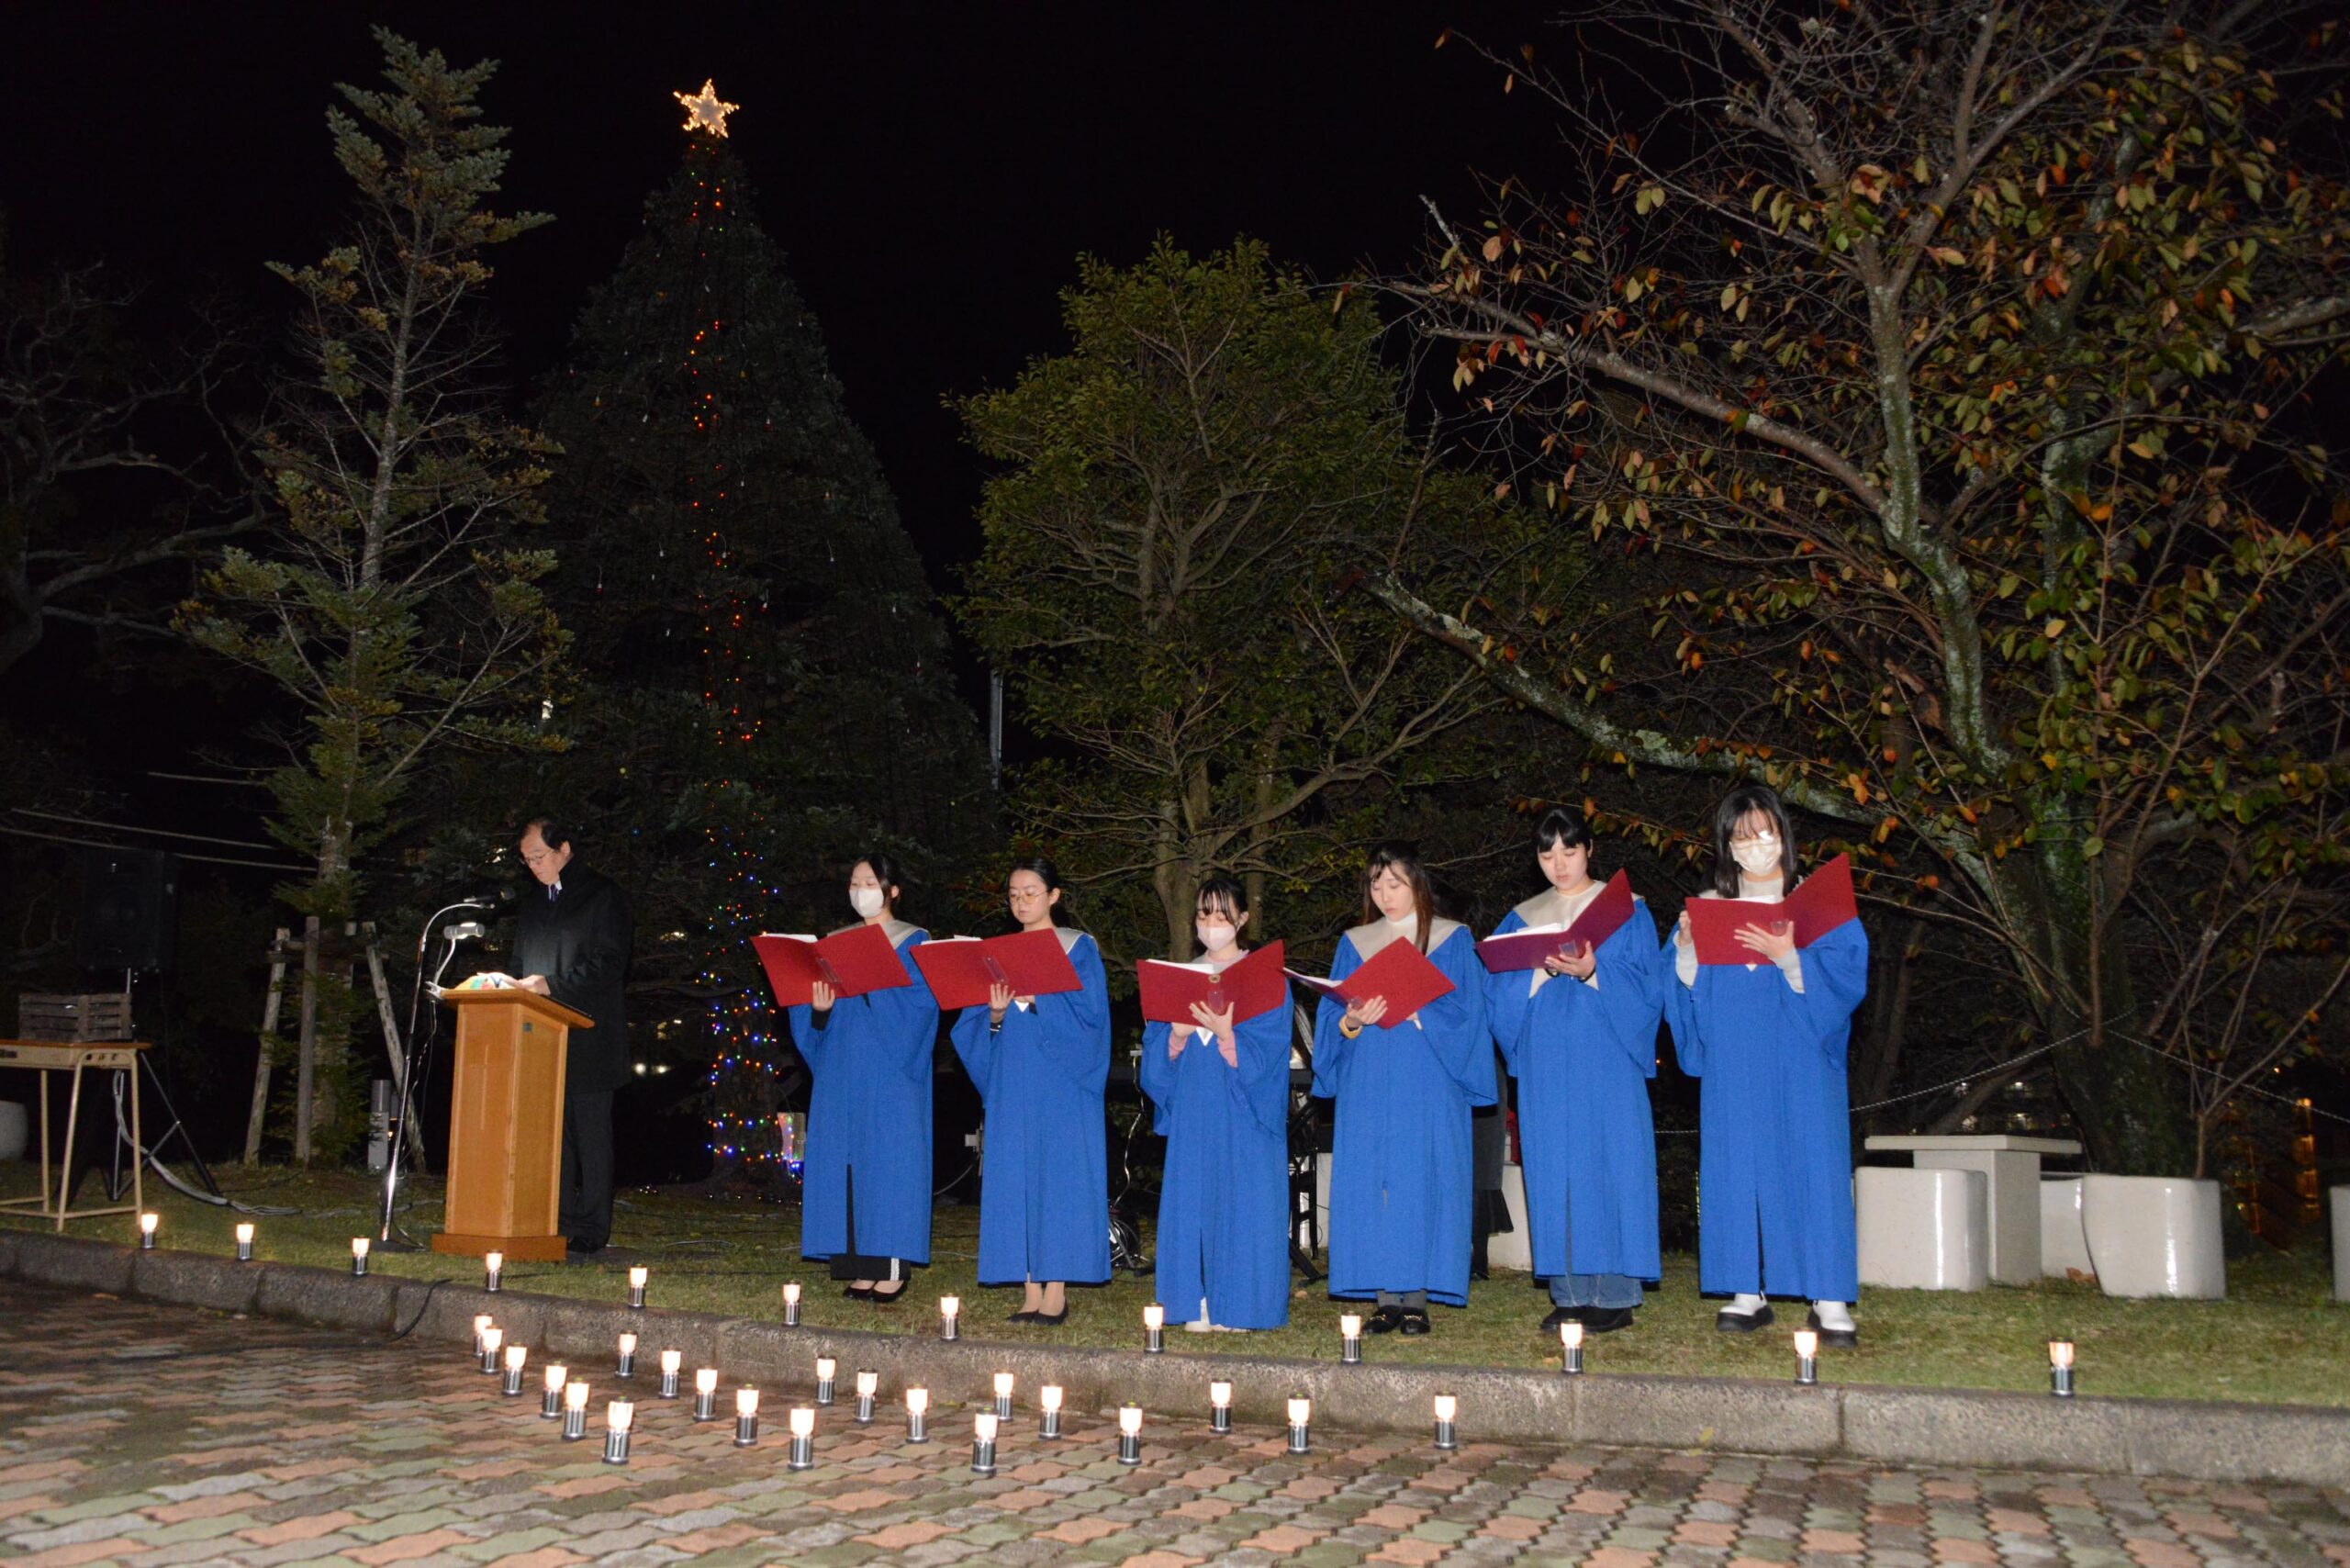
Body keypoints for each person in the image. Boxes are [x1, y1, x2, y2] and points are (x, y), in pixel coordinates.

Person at [1664, 784, 1869, 1346]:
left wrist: (1789, 958)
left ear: (1784, 835)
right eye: (1742, 837)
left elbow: (1847, 980)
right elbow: (1685, 992)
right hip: (1735, 1056)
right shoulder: (1708, 908)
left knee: (1814, 1162)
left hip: (1800, 1055)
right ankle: (1745, 1291)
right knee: (1736, 1164)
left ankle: (1828, 1298)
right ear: (1727, 847)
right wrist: (1686, 949)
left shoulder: (1819, 905)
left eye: (1766, 833)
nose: (1756, 846)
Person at [1484, 807, 1664, 1335]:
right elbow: (1498, 991)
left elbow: (1647, 989)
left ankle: (1613, 1294)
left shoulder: (1625, 910)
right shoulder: (1522, 916)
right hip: (1545, 1058)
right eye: (1547, 853)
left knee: (1611, 1164)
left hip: (1606, 1055)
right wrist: (1536, 976)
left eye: (1569, 850)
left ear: (1589, 849)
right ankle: (1569, 1293)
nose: (1558, 864)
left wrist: (1593, 970)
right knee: (1555, 1167)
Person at [1311, 841, 1494, 1335]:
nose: (1385, 894)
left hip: (1427, 1075)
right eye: (1376, 883)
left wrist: (1420, 1009)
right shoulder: (1355, 943)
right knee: (1374, 1182)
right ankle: (1383, 1298)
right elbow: (1333, 1018)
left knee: (1420, 1180)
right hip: (1370, 1073)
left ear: (1417, 882)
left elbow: (1470, 1017)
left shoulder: (1452, 940)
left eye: (1395, 883)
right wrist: (1350, 1021)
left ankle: (1416, 1297)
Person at [948, 857, 1111, 1324]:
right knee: (1015, 1174)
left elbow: (1093, 1021)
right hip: (1013, 1078)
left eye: (1031, 892)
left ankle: (1056, 1288)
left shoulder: (1078, 947)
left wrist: (1040, 999)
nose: (1022, 902)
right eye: (1014, 894)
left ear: (1054, 895)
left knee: (1056, 1177)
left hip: (1060, 1080)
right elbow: (971, 1030)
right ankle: (1028, 1286)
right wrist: (995, 1016)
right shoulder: (993, 953)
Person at [1136, 876, 1291, 1332]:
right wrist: (1176, 1035)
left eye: (1222, 915)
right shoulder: (1178, 978)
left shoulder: (1264, 977)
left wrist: (1228, 1036)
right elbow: (1155, 1062)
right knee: (1193, 1201)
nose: (1211, 923)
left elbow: (1273, 1050)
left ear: (1242, 918)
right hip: (1195, 1108)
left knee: (1243, 1201)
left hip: (1243, 1109)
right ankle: (1195, 1302)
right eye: (1204, 914)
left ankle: (1241, 1306)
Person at [784, 854, 937, 1303]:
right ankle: (856, 1265)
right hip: (842, 1070)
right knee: (845, 1162)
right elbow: (813, 1021)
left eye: (869, 881)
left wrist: (875, 986)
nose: (860, 889)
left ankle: (890, 1267)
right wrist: (819, 1009)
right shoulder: (835, 942)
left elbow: (922, 1009)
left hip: (890, 1071)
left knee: (888, 1164)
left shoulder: (914, 941)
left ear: (893, 890)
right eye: (853, 882)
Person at [509, 816, 633, 1259]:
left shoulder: (602, 895)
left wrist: (552, 985)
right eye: (526, 860)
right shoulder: (534, 902)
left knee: (591, 1136)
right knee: (550, 1135)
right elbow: (521, 960)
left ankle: (591, 1227)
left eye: (538, 856)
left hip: (590, 1036)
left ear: (564, 847)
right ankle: (554, 1219)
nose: (533, 866)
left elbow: (609, 963)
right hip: (542, 1035)